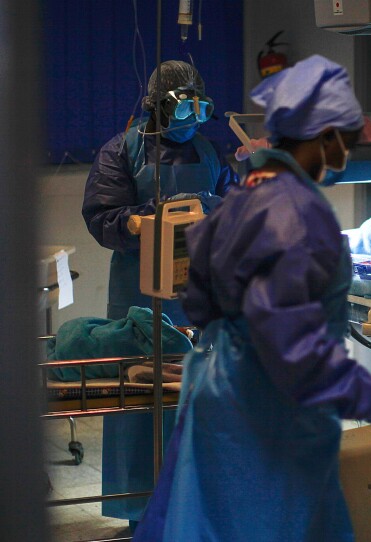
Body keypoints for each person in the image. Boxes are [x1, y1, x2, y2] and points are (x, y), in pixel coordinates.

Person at [133, 55, 371, 541]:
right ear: (323, 137)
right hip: (269, 414)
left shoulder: (245, 196)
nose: (348, 150)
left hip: (218, 398)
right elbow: (292, 343)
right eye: (345, 137)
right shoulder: (300, 215)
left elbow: (199, 300)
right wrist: (367, 400)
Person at [80, 60, 238, 531]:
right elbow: (102, 217)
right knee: (140, 402)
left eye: (198, 104)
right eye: (181, 104)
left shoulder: (209, 153)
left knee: (204, 398)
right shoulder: (121, 153)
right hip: (139, 294)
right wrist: (147, 221)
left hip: (201, 292)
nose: (191, 114)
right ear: (157, 107)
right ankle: (142, 511)